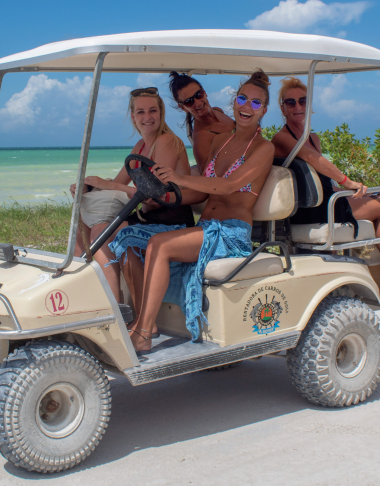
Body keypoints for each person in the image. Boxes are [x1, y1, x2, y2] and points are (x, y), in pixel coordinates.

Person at [109, 70, 276, 352]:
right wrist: (165, 193)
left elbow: (228, 185)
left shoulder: (264, 148)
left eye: (256, 103)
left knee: (159, 245)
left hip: (230, 233)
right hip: (205, 228)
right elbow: (201, 191)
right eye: (243, 98)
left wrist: (178, 177)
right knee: (128, 239)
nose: (247, 106)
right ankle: (142, 318)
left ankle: (144, 333)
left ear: (264, 110)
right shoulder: (218, 142)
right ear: (234, 101)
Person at [269, 77, 380, 297]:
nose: (298, 106)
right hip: (306, 210)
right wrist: (346, 181)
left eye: (303, 101)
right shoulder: (283, 138)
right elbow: (311, 158)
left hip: (322, 201)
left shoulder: (313, 138)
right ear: (283, 108)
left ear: (309, 105)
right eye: (291, 103)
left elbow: (322, 184)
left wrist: (358, 192)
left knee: (379, 198)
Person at [70, 87, 192, 302]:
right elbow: (118, 183)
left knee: (105, 230)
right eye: (141, 112)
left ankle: (117, 306)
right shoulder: (140, 146)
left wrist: (111, 186)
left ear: (161, 113)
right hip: (148, 217)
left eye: (152, 111)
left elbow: (155, 197)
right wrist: (88, 187)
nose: (147, 117)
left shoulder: (167, 141)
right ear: (133, 116)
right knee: (82, 227)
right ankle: (83, 295)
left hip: (172, 220)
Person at [168, 72, 235, 168]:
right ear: (183, 108)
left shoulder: (218, 110)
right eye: (189, 101)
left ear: (204, 92)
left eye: (198, 94)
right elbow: (209, 178)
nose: (197, 103)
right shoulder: (201, 140)